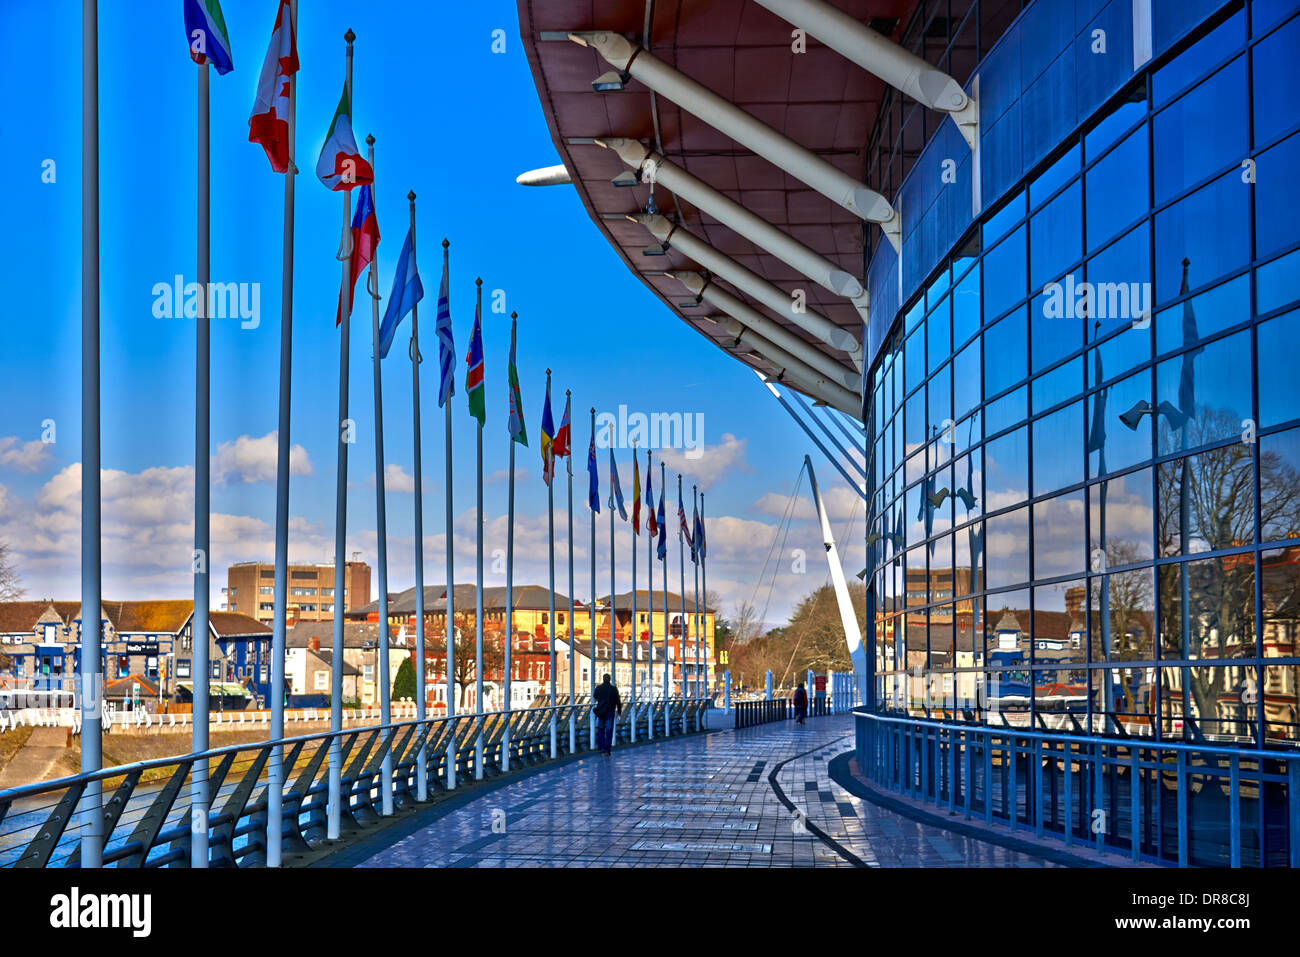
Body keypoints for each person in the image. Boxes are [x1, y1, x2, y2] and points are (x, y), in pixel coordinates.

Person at [593, 673, 621, 756]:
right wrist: (619, 712)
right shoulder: (613, 689)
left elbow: (595, 696)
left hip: (601, 712)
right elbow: (618, 701)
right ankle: (607, 750)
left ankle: (601, 748)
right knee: (609, 730)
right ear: (609, 679)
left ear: (603, 679)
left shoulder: (598, 688)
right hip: (610, 712)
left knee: (601, 729)